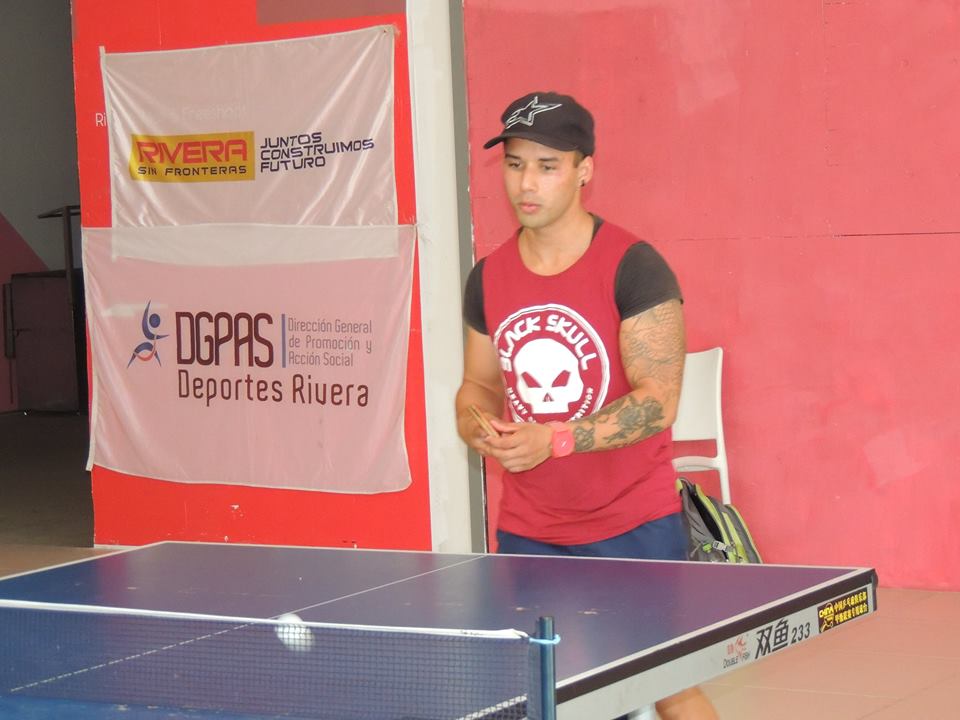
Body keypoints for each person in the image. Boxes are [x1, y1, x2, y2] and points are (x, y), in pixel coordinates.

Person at [455, 91, 719, 720]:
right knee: (541, 692)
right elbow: (479, 385)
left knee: (668, 685)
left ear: (584, 170)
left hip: (634, 524)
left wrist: (555, 439)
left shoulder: (635, 267)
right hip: (531, 530)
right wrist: (475, 424)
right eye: (515, 164)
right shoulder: (488, 277)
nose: (527, 183)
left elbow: (658, 403)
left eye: (547, 166)